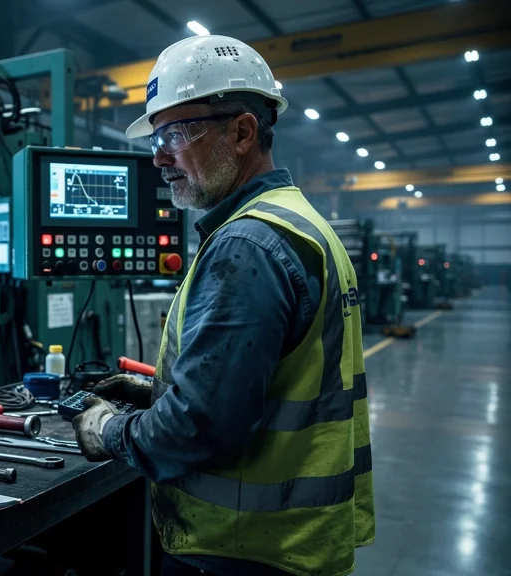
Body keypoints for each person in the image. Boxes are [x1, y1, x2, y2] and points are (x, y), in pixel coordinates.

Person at [71, 35, 375, 576]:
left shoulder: (248, 246)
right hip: (296, 542)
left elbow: (201, 428)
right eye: (156, 137)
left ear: (241, 132)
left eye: (176, 133)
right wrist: (158, 391)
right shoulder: (300, 223)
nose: (161, 158)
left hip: (240, 549)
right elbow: (276, 381)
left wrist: (108, 429)